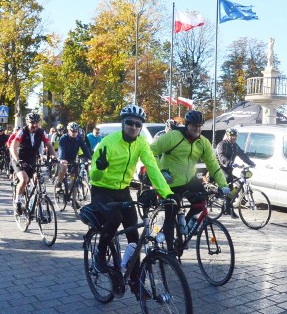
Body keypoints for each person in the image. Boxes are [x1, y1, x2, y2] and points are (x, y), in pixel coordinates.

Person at [90, 105, 174, 298]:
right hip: (101, 188)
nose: (134, 127)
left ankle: (135, 280)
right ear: (123, 122)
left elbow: (152, 167)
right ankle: (99, 254)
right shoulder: (108, 142)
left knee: (134, 237)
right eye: (130, 122)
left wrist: (166, 194)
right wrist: (100, 169)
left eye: (138, 124)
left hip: (122, 190)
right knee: (114, 219)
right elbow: (93, 173)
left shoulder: (141, 142)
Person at [150, 110, 230, 254]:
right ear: (187, 125)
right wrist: (161, 170)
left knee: (201, 203)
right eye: (194, 126)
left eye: (200, 126)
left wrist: (223, 185)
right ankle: (170, 252)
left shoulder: (203, 143)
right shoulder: (174, 137)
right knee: (171, 215)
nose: (197, 129)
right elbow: (151, 151)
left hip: (190, 179)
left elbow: (213, 165)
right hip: (171, 182)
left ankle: (184, 228)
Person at [9, 113, 58, 215]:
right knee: (24, 179)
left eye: (36, 123)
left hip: (32, 160)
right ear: (27, 123)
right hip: (19, 159)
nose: (34, 125)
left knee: (37, 179)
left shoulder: (41, 132)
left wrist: (54, 157)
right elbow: (13, 147)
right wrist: (18, 159)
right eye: (32, 123)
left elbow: (49, 145)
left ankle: (32, 203)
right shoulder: (22, 132)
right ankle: (17, 202)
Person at [215, 127, 256, 218]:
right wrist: (231, 163)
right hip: (219, 168)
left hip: (229, 169)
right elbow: (221, 158)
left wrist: (251, 163)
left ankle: (227, 207)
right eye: (232, 136)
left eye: (235, 136)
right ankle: (221, 198)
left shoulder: (235, 146)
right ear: (227, 135)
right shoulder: (221, 145)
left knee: (233, 188)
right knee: (227, 180)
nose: (234, 138)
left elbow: (242, 155)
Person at [55, 122, 91, 191]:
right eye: (72, 131)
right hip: (64, 158)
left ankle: (72, 190)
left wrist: (89, 158)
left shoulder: (79, 138)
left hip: (73, 158)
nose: (74, 133)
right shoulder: (64, 138)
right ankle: (59, 183)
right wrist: (62, 159)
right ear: (68, 130)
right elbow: (61, 149)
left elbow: (85, 148)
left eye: (76, 131)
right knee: (64, 167)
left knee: (74, 174)